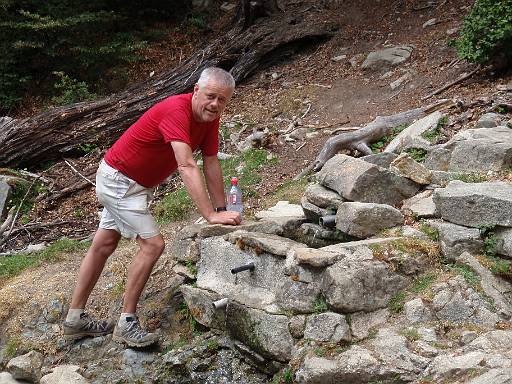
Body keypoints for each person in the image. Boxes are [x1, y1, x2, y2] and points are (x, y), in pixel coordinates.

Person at [63, 67, 241, 347]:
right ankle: (127, 323)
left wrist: (221, 209)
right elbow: (186, 164)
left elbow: (211, 161)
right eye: (210, 96)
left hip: (133, 184)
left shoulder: (210, 118)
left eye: (222, 100)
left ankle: (74, 320)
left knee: (104, 244)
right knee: (153, 245)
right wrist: (208, 215)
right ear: (196, 90)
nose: (215, 104)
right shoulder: (176, 110)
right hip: (119, 181)